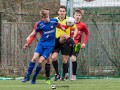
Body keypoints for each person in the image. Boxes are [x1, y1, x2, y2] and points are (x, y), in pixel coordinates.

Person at [22, 8, 65, 84]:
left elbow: (58, 24)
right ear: (42, 18)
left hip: (50, 46)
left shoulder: (54, 21)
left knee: (40, 61)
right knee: (34, 58)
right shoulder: (40, 24)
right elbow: (34, 32)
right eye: (44, 17)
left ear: (48, 15)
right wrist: (28, 37)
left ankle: (34, 78)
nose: (46, 19)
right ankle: (27, 76)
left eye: (47, 16)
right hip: (41, 44)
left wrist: (62, 28)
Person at [51, 5, 78, 81]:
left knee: (65, 60)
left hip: (65, 42)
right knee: (53, 57)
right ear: (58, 12)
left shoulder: (69, 19)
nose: (62, 12)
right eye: (61, 11)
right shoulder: (55, 20)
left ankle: (63, 76)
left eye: (63, 11)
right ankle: (57, 74)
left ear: (65, 12)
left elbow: (75, 29)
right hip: (56, 41)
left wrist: (74, 37)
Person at [70, 9, 89, 80]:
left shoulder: (82, 25)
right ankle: (62, 75)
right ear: (74, 15)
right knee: (64, 59)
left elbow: (87, 34)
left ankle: (73, 75)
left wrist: (84, 43)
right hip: (68, 44)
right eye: (76, 15)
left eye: (79, 15)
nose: (77, 16)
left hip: (77, 44)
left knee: (73, 58)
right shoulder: (69, 23)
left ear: (81, 17)